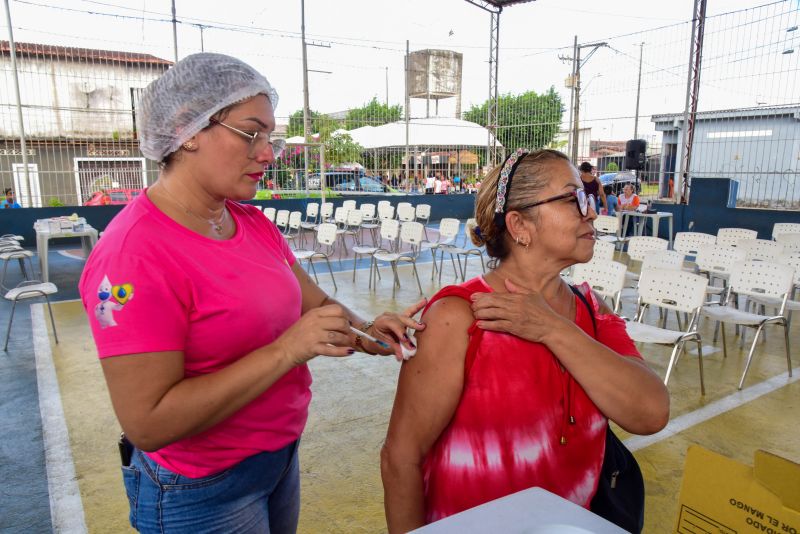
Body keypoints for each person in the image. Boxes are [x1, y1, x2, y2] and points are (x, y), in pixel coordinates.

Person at [78, 53, 424, 534]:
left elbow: (316, 305)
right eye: (251, 133)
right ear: (188, 129)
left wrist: (367, 330)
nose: (268, 153)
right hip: (199, 490)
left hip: (276, 461)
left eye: (270, 137)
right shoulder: (133, 256)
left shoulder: (249, 223)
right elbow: (149, 422)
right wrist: (286, 351)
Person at [381, 148, 669, 532]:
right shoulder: (460, 316)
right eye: (573, 199)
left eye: (587, 197)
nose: (592, 211)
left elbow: (650, 413)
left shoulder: (590, 308)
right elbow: (401, 459)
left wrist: (552, 328)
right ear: (519, 225)